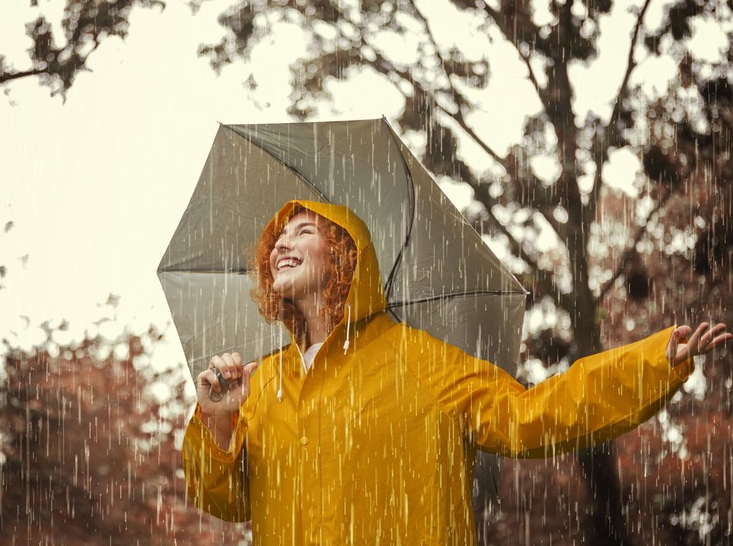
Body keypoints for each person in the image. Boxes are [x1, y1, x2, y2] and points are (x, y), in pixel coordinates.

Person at [181, 200, 730, 545]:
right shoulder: (259, 383)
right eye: (277, 238)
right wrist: (217, 423)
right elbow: (229, 504)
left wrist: (651, 362)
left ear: (346, 256)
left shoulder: (421, 361)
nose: (281, 242)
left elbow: (529, 415)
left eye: (302, 231)